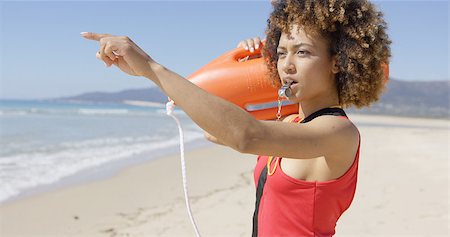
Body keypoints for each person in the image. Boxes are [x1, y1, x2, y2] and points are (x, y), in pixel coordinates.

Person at [81, 0, 391, 236]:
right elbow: (218, 129)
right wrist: (246, 62)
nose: (288, 65)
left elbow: (245, 136)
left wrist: (151, 68)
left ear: (338, 62)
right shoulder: (291, 124)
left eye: (303, 52)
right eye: (281, 53)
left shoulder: (337, 132)